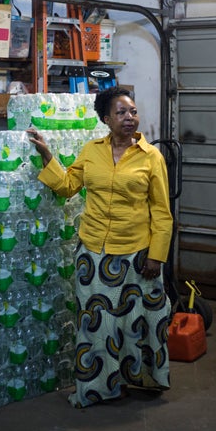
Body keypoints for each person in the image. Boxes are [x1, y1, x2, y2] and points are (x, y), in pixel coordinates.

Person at [27, 86, 174, 408]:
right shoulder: (91, 151)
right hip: (93, 254)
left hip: (137, 254)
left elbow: (162, 212)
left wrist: (157, 256)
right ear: (106, 118)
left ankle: (139, 379)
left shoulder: (152, 158)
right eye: (121, 113)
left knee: (138, 323)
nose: (129, 118)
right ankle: (99, 388)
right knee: (97, 327)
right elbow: (67, 187)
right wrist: (47, 156)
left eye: (133, 111)